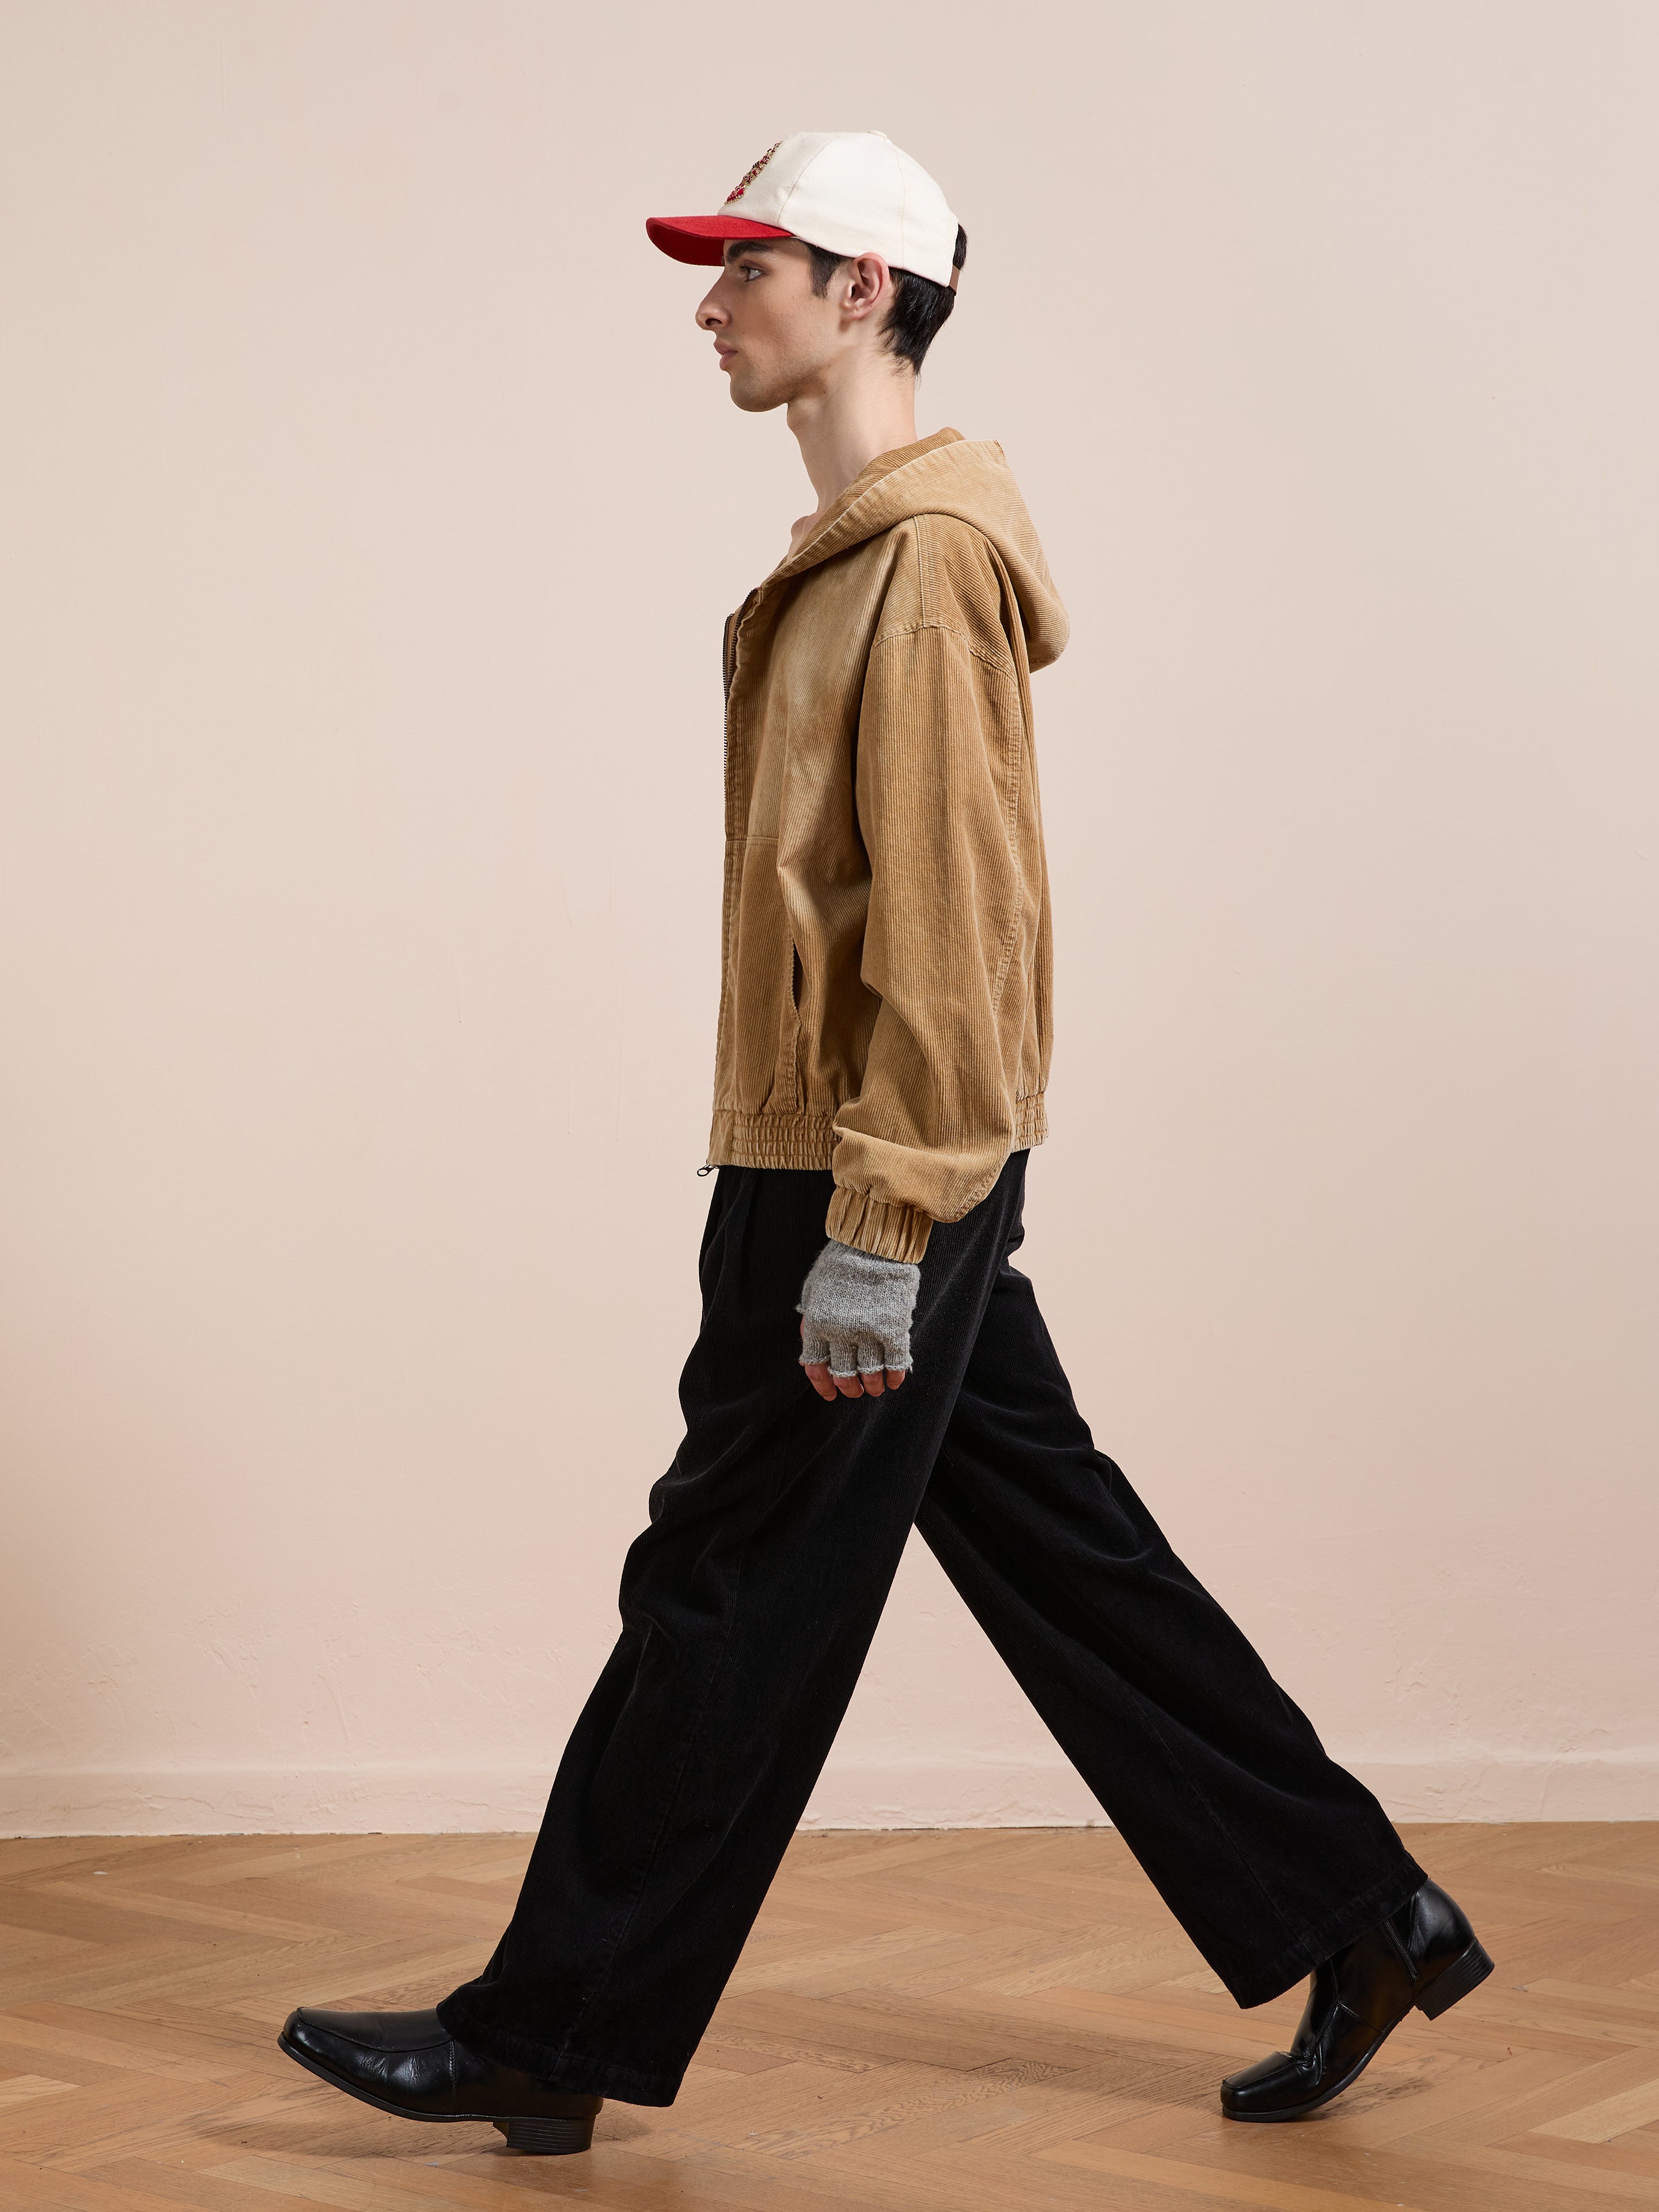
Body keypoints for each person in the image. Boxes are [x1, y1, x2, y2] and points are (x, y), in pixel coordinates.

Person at [278, 130, 1493, 2157]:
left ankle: (549, 2034)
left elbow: (960, 925)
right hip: (859, 1160)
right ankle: (1363, 1911)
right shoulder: (868, 560)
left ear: (866, 292)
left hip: (865, 1176)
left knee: (722, 1591)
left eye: (748, 262)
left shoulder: (922, 572)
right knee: (1064, 1555)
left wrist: (881, 1223)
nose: (709, 298)